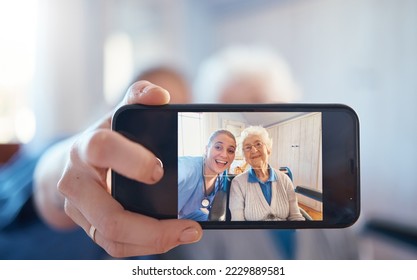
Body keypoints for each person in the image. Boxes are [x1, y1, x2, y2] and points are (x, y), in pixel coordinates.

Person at [33, 81, 203, 258]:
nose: (162, 138)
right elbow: (43, 177)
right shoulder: (61, 148)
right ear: (115, 109)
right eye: (150, 115)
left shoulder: (177, 242)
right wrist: (70, 163)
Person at [229, 125, 305, 221]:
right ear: (244, 156)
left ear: (268, 149)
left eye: (258, 144)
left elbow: (296, 217)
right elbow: (238, 223)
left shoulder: (285, 179)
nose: (253, 150)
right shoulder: (238, 183)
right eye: (248, 147)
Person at [178, 130, 236, 221]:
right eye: (218, 147)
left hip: (186, 214)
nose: (224, 155)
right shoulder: (187, 168)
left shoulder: (221, 178)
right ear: (206, 149)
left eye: (230, 150)